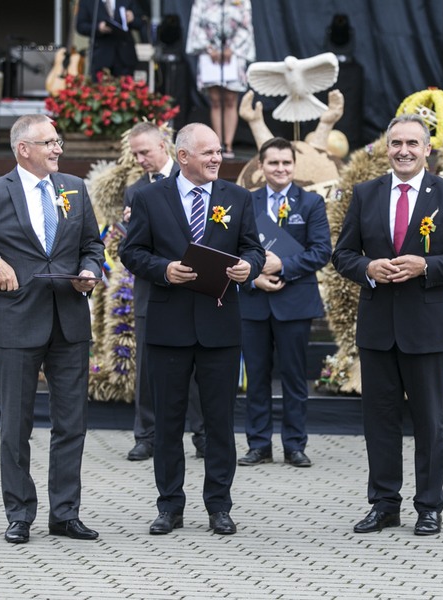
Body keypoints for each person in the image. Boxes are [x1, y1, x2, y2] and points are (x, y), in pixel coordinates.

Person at [0, 114, 104, 544]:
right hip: (15, 322)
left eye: (59, 141)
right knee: (16, 426)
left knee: (72, 424)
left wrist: (88, 269)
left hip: (68, 320)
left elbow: (92, 244)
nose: (58, 149)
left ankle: (65, 514)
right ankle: (20, 514)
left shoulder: (74, 188)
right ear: (23, 149)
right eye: (49, 142)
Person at [332, 114, 443, 536]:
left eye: (412, 144)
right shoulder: (366, 193)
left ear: (427, 149)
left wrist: (426, 266)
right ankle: (384, 504)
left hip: (425, 327)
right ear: (386, 148)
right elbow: (342, 254)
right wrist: (368, 267)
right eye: (396, 143)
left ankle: (429, 506)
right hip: (377, 327)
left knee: (429, 422)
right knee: (379, 421)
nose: (403, 150)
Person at [119, 122, 264, 536]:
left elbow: (252, 246)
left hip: (219, 326)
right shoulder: (148, 198)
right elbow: (131, 252)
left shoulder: (237, 197)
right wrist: (163, 270)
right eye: (209, 153)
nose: (218, 159)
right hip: (169, 326)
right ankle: (170, 506)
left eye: (219, 152)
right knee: (167, 422)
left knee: (219, 421)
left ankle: (219, 506)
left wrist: (247, 266)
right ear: (183, 157)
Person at [237, 137, 332, 468]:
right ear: (260, 166)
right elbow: (232, 249)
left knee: (294, 378)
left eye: (286, 163)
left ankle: (294, 445)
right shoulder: (244, 202)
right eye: (273, 163)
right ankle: (258, 444)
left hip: (294, 303)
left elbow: (322, 251)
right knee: (257, 377)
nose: (280, 168)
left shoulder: (311, 203)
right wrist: (254, 277)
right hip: (253, 302)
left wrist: (282, 267)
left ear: (294, 166)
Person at [122, 122, 206, 462]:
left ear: (165, 146)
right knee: (148, 366)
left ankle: (203, 435)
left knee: (200, 368)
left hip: (199, 289)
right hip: (154, 290)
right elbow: (132, 248)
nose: (140, 159)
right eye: (136, 154)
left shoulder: (196, 180)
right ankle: (147, 436)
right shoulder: (136, 191)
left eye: (145, 151)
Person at [185, 0, 255, 158]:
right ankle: (218, 144)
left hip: (233, 56)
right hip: (210, 56)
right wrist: (210, 49)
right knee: (215, 100)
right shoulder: (202, 2)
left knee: (231, 98)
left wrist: (232, 48)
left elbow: (246, 26)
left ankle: (229, 144)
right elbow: (197, 25)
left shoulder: (241, 2)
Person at [76, 0, 146, 78]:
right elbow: (80, 26)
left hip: (124, 56)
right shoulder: (88, 2)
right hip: (100, 56)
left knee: (126, 88)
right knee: (100, 88)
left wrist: (132, 18)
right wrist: (98, 27)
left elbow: (141, 22)